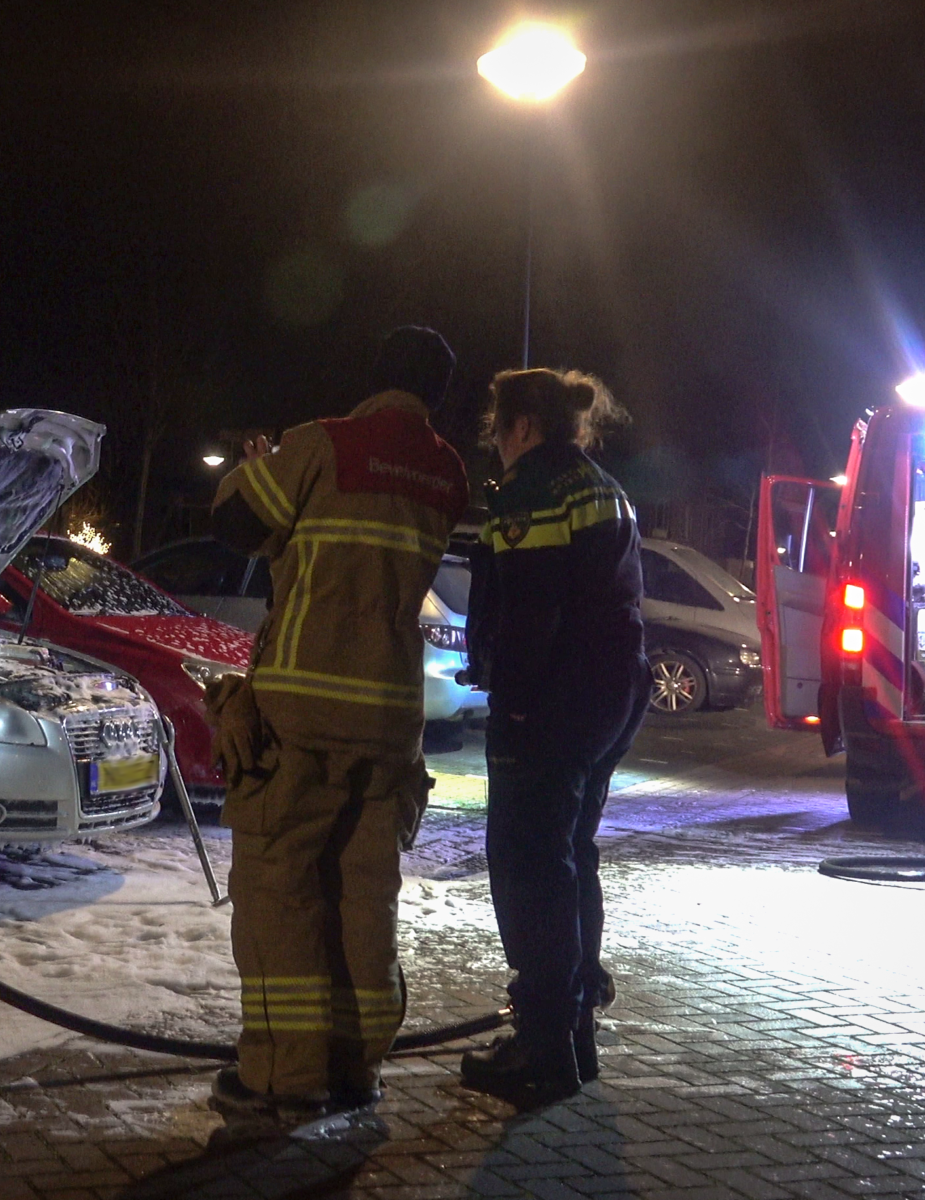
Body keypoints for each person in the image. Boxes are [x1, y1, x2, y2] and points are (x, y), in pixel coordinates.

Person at [204, 326, 469, 1129]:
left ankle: (284, 1079)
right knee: (364, 894)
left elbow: (239, 523)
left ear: (374, 376)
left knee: (282, 889)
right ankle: (355, 1071)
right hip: (391, 722)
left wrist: (255, 465)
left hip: (303, 712)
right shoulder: (446, 471)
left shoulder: (323, 444)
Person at [460, 368, 646, 1105]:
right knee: (569, 855)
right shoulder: (601, 483)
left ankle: (542, 1051)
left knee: (528, 865)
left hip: (556, 701)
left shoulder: (536, 487)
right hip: (610, 695)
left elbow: (533, 608)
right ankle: (572, 1042)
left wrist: (518, 705)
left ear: (524, 428)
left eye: (497, 426)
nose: (494, 442)